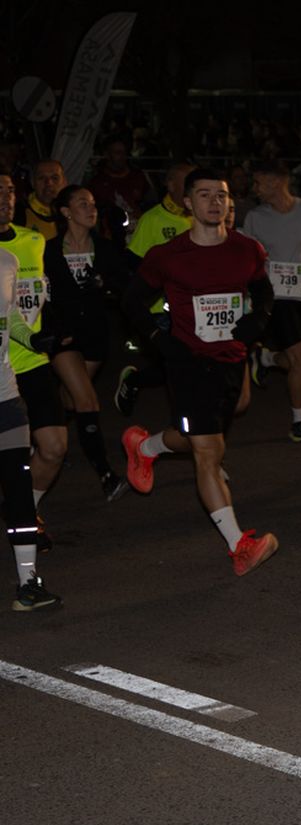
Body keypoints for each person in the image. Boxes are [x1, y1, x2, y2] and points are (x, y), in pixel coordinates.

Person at [119, 168, 280, 576]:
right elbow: (133, 300)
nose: (214, 203)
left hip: (232, 356)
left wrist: (259, 318)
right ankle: (239, 545)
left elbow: (262, 288)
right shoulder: (168, 255)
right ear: (188, 202)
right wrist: (160, 339)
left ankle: (147, 447)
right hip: (187, 361)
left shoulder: (247, 249)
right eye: (204, 195)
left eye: (221, 196)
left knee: (226, 416)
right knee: (209, 452)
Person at [241, 159, 301, 443]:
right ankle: (299, 421)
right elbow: (245, 255)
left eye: (259, 182)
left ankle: (267, 357)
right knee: (298, 362)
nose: (255, 189)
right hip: (276, 297)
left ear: (275, 182)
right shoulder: (255, 218)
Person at [43, 184, 131, 500]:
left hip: (95, 333)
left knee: (70, 400)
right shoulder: (48, 250)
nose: (90, 208)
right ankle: (107, 475)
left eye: (93, 203)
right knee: (88, 400)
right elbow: (40, 297)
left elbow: (128, 280)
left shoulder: (105, 249)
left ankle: (42, 426)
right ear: (66, 212)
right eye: (82, 203)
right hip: (64, 336)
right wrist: (52, 327)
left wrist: (105, 282)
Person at [0, 176, 70, 536]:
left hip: (31, 360)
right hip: (0, 370)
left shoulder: (34, 241)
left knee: (55, 446)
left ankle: (26, 508)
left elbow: (45, 293)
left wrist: (54, 327)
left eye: (9, 191)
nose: (4, 198)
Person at [0, 242, 60, 610]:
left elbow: (11, 318)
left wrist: (33, 338)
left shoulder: (7, 261)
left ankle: (28, 583)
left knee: (20, 489)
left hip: (5, 395)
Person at [114, 161, 196, 417]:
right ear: (170, 185)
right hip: (162, 308)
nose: (192, 188)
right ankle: (186, 423)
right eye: (187, 183)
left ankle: (136, 380)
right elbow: (134, 262)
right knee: (175, 362)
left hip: (197, 306)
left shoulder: (199, 218)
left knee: (186, 362)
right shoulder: (153, 219)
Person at [88, 136, 154, 235]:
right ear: (107, 154)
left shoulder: (138, 177)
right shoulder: (97, 182)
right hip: (111, 235)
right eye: (117, 153)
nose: (122, 157)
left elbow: (151, 203)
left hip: (139, 231)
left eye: (124, 152)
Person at [22, 160, 65, 240]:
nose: (48, 183)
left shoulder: (74, 212)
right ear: (32, 182)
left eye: (55, 178)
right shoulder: (18, 213)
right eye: (41, 178)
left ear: (64, 182)